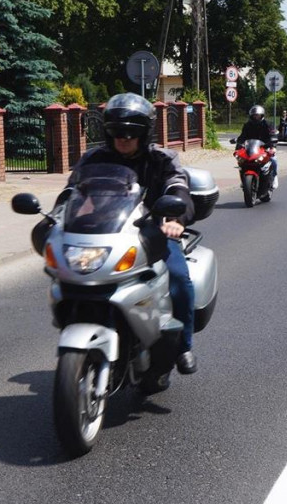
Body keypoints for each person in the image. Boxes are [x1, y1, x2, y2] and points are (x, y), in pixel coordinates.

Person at [69, 93, 198, 375]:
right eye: (117, 132)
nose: (124, 138)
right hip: (105, 235)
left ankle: (183, 347)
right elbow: (71, 193)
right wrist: (58, 218)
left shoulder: (162, 159)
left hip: (152, 234)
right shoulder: (93, 159)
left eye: (131, 132)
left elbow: (178, 188)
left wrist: (174, 219)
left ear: (144, 132)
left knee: (178, 278)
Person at [234, 105, 278, 200]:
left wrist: (273, 146)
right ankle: (245, 181)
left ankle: (274, 178)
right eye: (254, 115)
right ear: (251, 116)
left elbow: (273, 135)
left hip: (265, 148)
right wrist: (238, 146)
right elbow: (242, 137)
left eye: (257, 115)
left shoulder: (268, 124)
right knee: (242, 162)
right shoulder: (247, 125)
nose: (256, 117)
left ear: (262, 115)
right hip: (251, 148)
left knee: (273, 161)